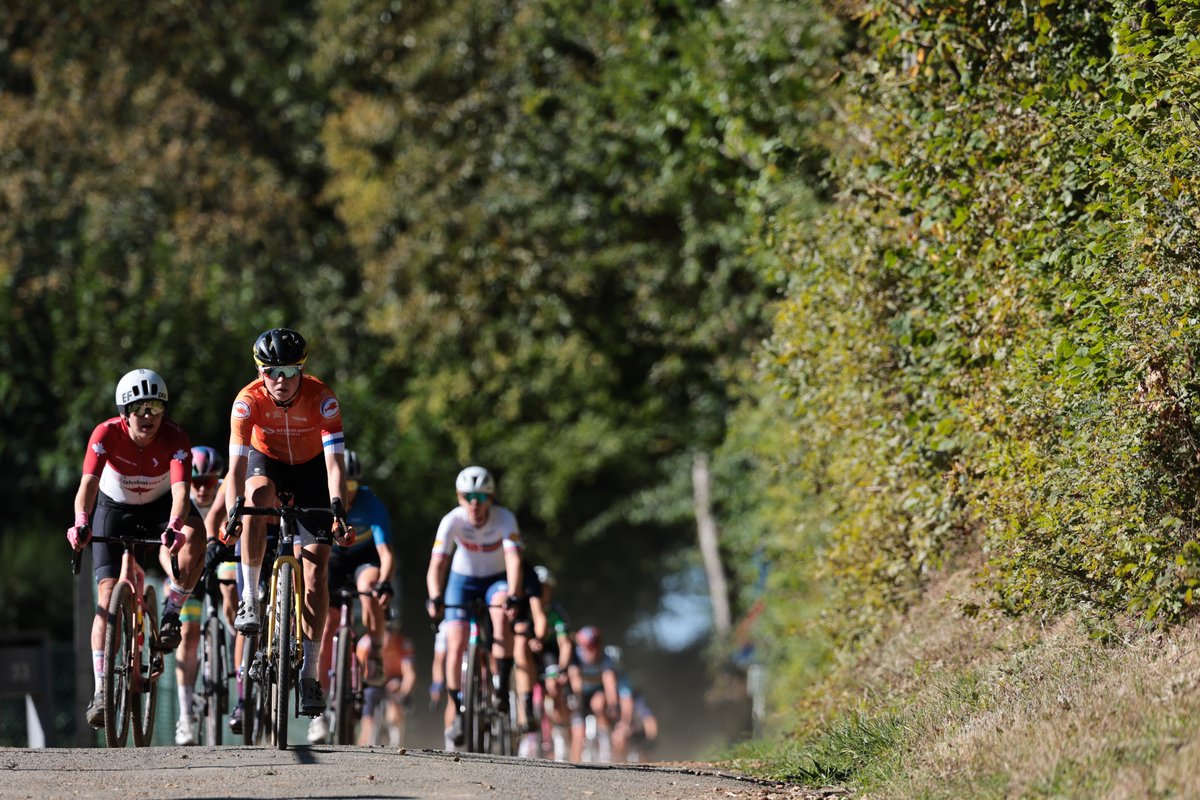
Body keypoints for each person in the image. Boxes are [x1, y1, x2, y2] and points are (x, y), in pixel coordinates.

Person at [221, 328, 354, 718]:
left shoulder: (323, 399)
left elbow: (335, 464)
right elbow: (236, 468)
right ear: (260, 372)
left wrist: (337, 510)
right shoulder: (247, 402)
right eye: (272, 371)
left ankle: (309, 675)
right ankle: (250, 600)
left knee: (315, 576)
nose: (280, 380)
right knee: (256, 498)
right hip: (269, 465)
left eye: (290, 372)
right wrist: (233, 511)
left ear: (302, 371)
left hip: (313, 471)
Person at [66, 369, 206, 729]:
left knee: (195, 538)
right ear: (124, 412)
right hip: (115, 509)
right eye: (139, 408)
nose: (148, 416)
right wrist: (81, 521)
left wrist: (175, 527)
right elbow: (88, 486)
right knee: (106, 598)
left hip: (162, 509)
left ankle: (173, 608)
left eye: (155, 407)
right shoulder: (106, 434)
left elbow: (180, 494)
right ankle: (101, 691)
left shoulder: (176, 438)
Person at [425, 466, 524, 750]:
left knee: (501, 613)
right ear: (459, 497)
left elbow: (514, 561)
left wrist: (515, 595)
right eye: (468, 496)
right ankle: (457, 709)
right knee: (454, 643)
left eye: (481, 496)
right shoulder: (451, 521)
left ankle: (502, 688)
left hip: (495, 580)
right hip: (462, 581)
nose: (475, 503)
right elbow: (437, 565)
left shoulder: (505, 519)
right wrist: (434, 596)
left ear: (491, 498)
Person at [308, 450, 397, 744]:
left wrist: (385, 582)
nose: (348, 494)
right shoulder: (321, 498)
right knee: (326, 625)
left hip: (363, 559)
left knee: (370, 585)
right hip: (334, 560)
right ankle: (317, 711)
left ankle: (375, 649)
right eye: (344, 486)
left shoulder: (371, 504)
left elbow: (385, 552)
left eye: (354, 487)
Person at [157, 445, 225, 745]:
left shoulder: (226, 494)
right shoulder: (180, 499)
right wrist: (174, 575)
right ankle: (185, 716)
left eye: (208, 482)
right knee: (191, 634)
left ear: (217, 480)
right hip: (189, 576)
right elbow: (164, 550)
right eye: (196, 482)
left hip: (222, 569)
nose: (201, 488)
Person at [531, 565, 573, 760]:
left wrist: (562, 668)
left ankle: (562, 732)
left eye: (544, 587)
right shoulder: (525, 607)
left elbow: (564, 643)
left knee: (553, 687)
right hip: (528, 654)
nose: (540, 591)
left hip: (550, 654)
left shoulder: (556, 611)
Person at [355, 625, 417, 746]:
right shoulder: (365, 643)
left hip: (395, 680)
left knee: (396, 696)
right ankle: (366, 738)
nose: (388, 635)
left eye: (391, 630)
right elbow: (358, 672)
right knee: (368, 702)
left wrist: (404, 693)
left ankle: (397, 739)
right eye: (385, 630)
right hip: (373, 681)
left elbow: (410, 674)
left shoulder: (404, 643)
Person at [567, 625, 620, 762]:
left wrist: (613, 704)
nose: (592, 651)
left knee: (599, 703)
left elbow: (610, 683)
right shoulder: (576, 656)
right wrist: (577, 698)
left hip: (597, 693)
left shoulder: (605, 658)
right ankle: (573, 766)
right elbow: (575, 678)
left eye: (595, 646)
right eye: (588, 647)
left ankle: (605, 745)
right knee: (578, 734)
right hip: (580, 694)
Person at [613, 686, 658, 762]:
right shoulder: (613, 701)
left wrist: (649, 740)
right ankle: (618, 762)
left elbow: (651, 722)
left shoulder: (639, 703)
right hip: (619, 735)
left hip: (638, 733)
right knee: (618, 736)